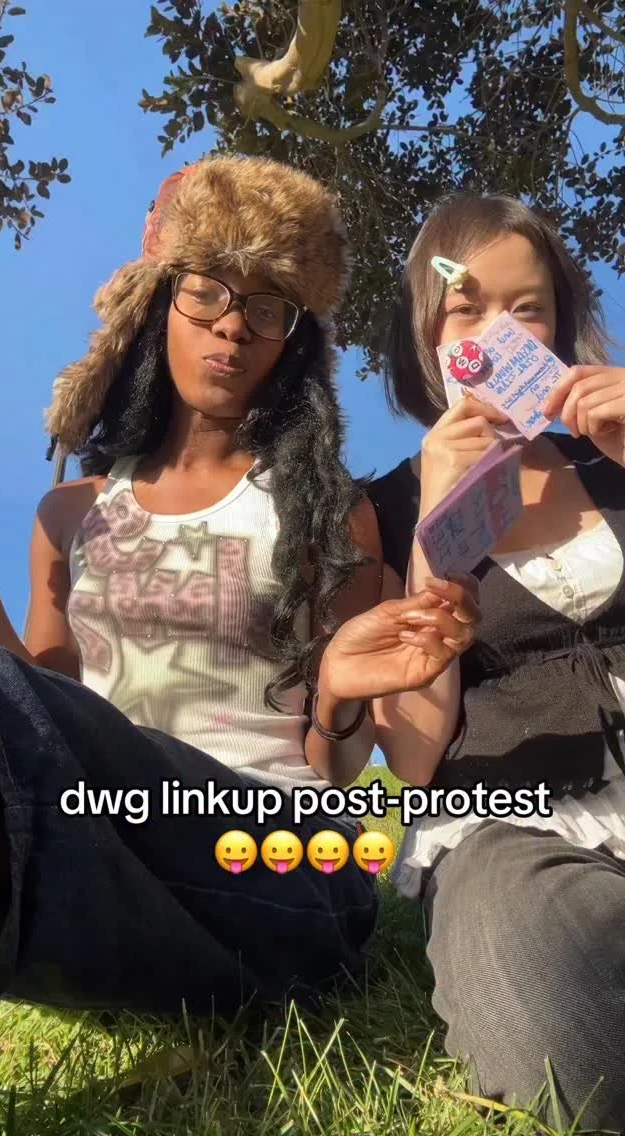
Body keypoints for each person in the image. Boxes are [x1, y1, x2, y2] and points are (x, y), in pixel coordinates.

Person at [0, 156, 479, 1019]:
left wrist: (339, 698)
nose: (233, 325)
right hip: (109, 849)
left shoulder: (328, 513)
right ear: (159, 301)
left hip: (285, 863)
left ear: (293, 339)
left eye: (267, 306)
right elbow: (34, 715)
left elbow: (339, 764)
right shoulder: (69, 514)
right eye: (208, 291)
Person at [358, 192, 625, 1130]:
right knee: (562, 1027)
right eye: (467, 309)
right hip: (514, 821)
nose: (498, 335)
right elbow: (412, 755)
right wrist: (436, 540)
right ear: (429, 337)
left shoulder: (609, 458)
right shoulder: (381, 511)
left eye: (528, 309)